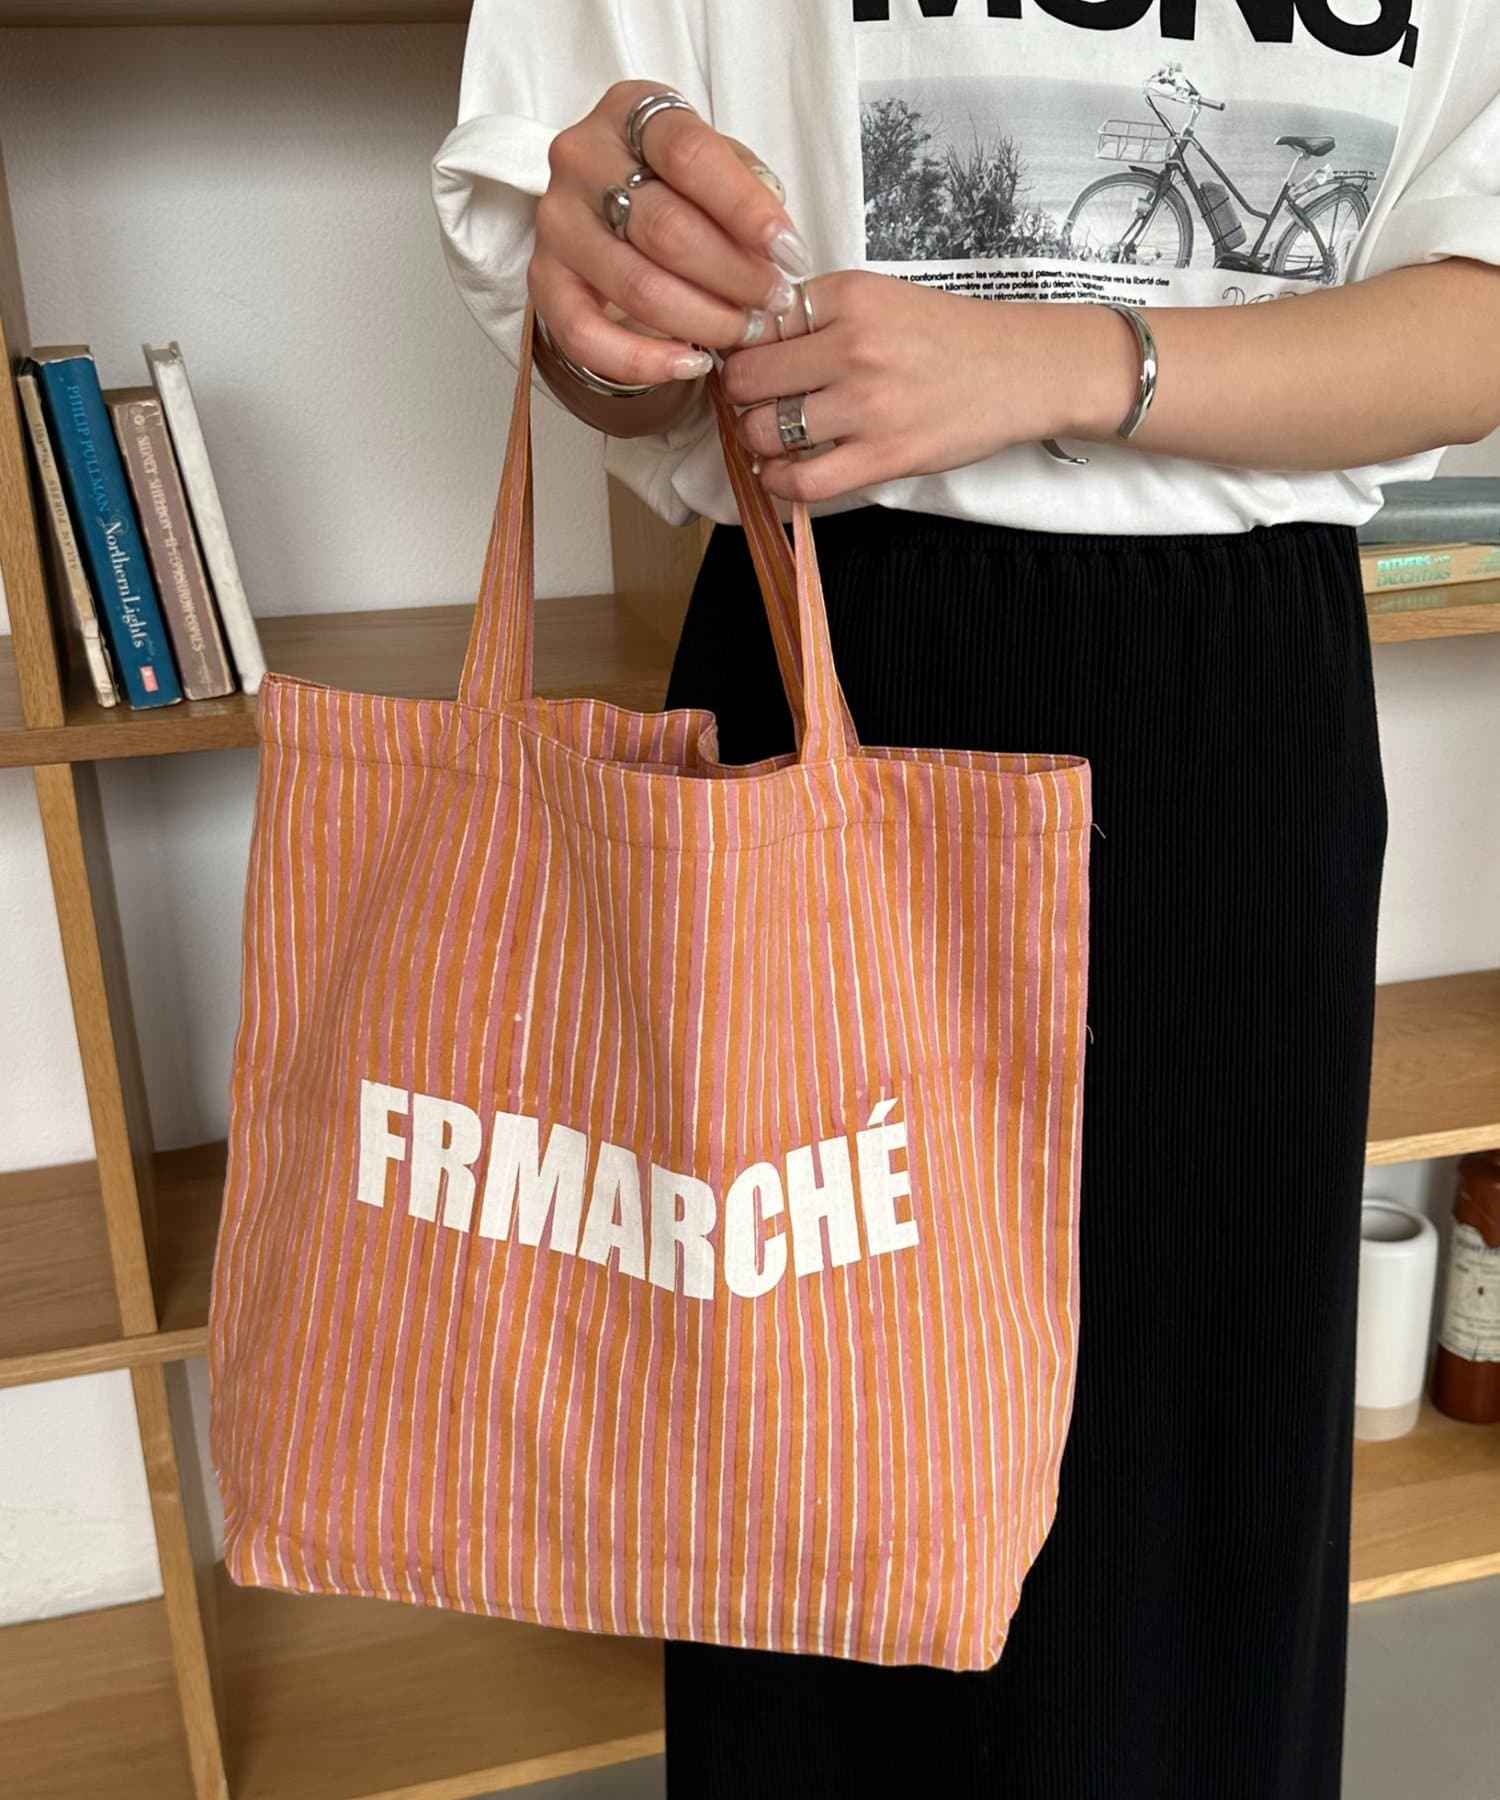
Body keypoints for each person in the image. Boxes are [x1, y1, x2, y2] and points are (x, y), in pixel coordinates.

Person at [430, 7, 1500, 1796]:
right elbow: (604, 353)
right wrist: (622, 294)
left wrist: (1056, 363)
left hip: (1228, 711)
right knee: (795, 1484)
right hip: (825, 637)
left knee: (1186, 1500)